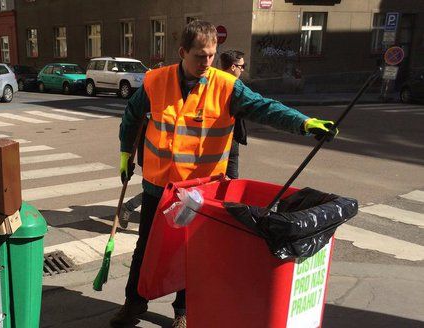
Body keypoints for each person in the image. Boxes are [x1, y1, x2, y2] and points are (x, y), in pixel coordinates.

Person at [114, 20, 336, 328]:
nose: (207, 62)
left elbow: (265, 108)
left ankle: (184, 311)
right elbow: (132, 115)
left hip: (198, 191)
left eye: (211, 55)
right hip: (158, 186)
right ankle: (134, 305)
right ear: (182, 52)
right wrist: (126, 152)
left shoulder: (226, 86)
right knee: (145, 252)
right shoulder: (156, 81)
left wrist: (304, 123)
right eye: (199, 56)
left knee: (192, 253)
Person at [219, 50, 247, 179]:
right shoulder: (232, 86)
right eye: (242, 67)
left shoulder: (216, 82)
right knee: (231, 180)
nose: (243, 70)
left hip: (230, 138)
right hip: (226, 140)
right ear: (233, 67)